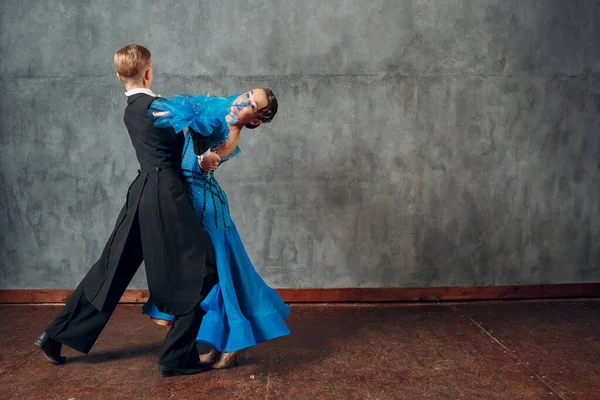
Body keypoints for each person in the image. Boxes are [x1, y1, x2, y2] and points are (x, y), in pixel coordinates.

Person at [34, 44, 218, 378]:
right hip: (166, 196)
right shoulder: (159, 108)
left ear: (119, 76)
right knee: (204, 268)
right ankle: (176, 356)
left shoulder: (134, 108)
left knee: (111, 270)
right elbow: (198, 137)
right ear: (149, 71)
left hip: (143, 193)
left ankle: (54, 335)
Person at [142, 88, 290, 369]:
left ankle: (232, 345)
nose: (243, 100)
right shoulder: (215, 114)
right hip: (196, 201)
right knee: (216, 275)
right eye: (247, 94)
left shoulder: (229, 134)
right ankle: (225, 343)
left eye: (252, 104)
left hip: (206, 209)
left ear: (255, 121)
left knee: (221, 275)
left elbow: (203, 161)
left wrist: (204, 158)